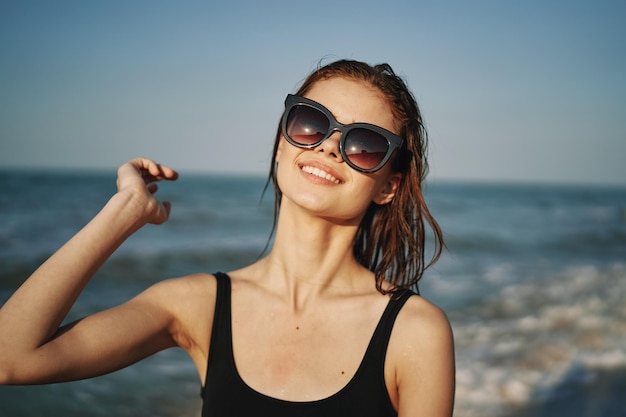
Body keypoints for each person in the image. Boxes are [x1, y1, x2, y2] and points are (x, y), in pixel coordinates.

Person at [0, 59, 455, 416]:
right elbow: (11, 358)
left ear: (389, 185)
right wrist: (123, 212)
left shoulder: (413, 331)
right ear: (282, 144)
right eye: (311, 122)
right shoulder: (198, 306)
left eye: (365, 144)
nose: (330, 146)